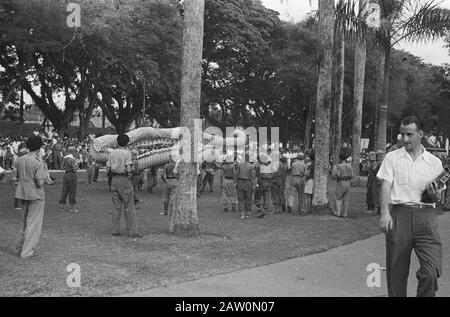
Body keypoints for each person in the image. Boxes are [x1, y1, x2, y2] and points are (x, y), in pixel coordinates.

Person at [377, 115, 444, 297]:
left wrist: (435, 195)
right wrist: (384, 213)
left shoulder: (435, 163)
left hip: (427, 217)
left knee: (430, 272)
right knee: (396, 274)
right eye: (402, 134)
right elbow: (385, 185)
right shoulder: (392, 158)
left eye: (409, 134)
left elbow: (438, 198)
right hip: (400, 216)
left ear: (420, 134)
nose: (404, 139)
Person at [12, 135, 47, 258]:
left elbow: (14, 178)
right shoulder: (38, 162)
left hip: (22, 194)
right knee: (33, 224)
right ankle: (27, 252)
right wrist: (45, 170)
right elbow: (40, 182)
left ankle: (19, 249)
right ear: (39, 147)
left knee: (24, 223)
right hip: (36, 195)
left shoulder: (19, 160)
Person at [106, 134, 142, 238]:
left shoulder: (112, 154)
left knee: (116, 206)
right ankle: (132, 231)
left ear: (117, 142)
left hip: (114, 179)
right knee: (129, 206)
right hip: (124, 179)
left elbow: (108, 168)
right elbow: (129, 168)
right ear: (127, 143)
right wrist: (130, 173)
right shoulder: (127, 153)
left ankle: (115, 230)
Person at [332, 153, 354, 218]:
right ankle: (344, 214)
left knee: (337, 197)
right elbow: (352, 176)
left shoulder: (338, 166)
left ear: (340, 159)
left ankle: (338, 213)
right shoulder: (349, 166)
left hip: (341, 182)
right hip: (347, 182)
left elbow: (335, 175)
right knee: (346, 199)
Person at [235, 151, 256, 219]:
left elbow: (236, 175)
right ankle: (247, 213)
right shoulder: (251, 166)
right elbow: (252, 177)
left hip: (240, 182)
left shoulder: (239, 165)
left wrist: (236, 182)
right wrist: (253, 185)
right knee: (248, 198)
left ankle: (241, 213)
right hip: (248, 183)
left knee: (240, 198)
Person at [58, 146, 79, 213]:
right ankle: (72, 208)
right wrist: (77, 166)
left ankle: (62, 207)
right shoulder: (72, 159)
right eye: (75, 151)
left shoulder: (65, 158)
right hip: (71, 175)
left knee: (64, 190)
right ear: (72, 151)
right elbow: (74, 169)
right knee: (72, 191)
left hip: (66, 174)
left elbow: (61, 168)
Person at [254, 152, 272, 217]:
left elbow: (259, 177)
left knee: (258, 197)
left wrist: (257, 184)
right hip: (268, 182)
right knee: (266, 197)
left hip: (261, 182)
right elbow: (271, 175)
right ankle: (265, 211)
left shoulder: (260, 167)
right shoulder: (269, 167)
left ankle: (262, 211)